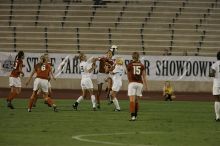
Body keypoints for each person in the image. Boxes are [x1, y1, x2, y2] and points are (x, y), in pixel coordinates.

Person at [126, 52, 148, 121]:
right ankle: (136, 115)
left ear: (132, 57)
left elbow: (127, 72)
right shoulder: (142, 65)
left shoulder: (130, 64)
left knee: (132, 100)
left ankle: (133, 117)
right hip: (140, 84)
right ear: (138, 57)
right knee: (136, 100)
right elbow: (144, 76)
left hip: (132, 83)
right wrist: (146, 86)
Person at [209, 51, 220, 122]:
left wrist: (210, 74)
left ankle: (217, 116)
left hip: (217, 84)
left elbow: (212, 74)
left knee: (217, 100)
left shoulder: (215, 64)